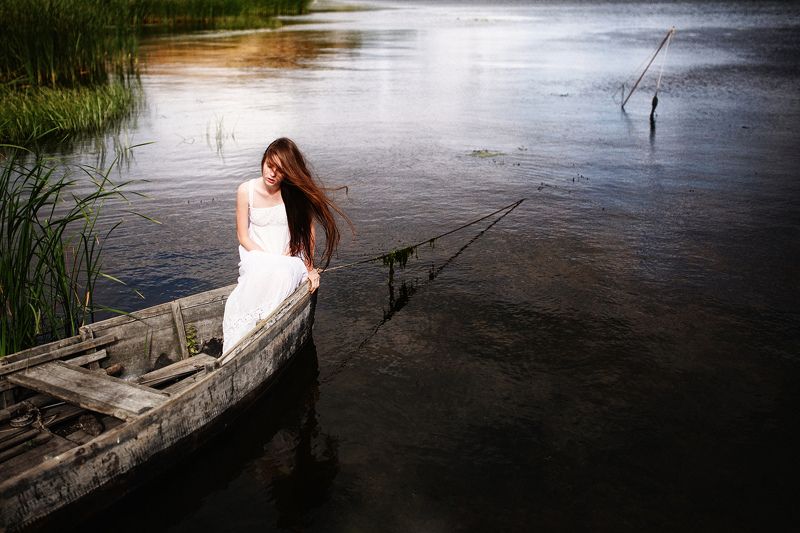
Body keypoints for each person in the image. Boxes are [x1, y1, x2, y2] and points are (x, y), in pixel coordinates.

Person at [222, 138, 347, 353]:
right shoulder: (246, 190)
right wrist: (268, 260)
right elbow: (243, 237)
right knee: (246, 294)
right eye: (269, 165)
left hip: (290, 259)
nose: (272, 173)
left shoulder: (294, 193)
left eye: (280, 170)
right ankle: (240, 341)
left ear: (288, 172)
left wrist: (309, 267)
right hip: (256, 257)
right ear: (263, 160)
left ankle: (264, 331)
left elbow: (308, 232)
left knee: (282, 273)